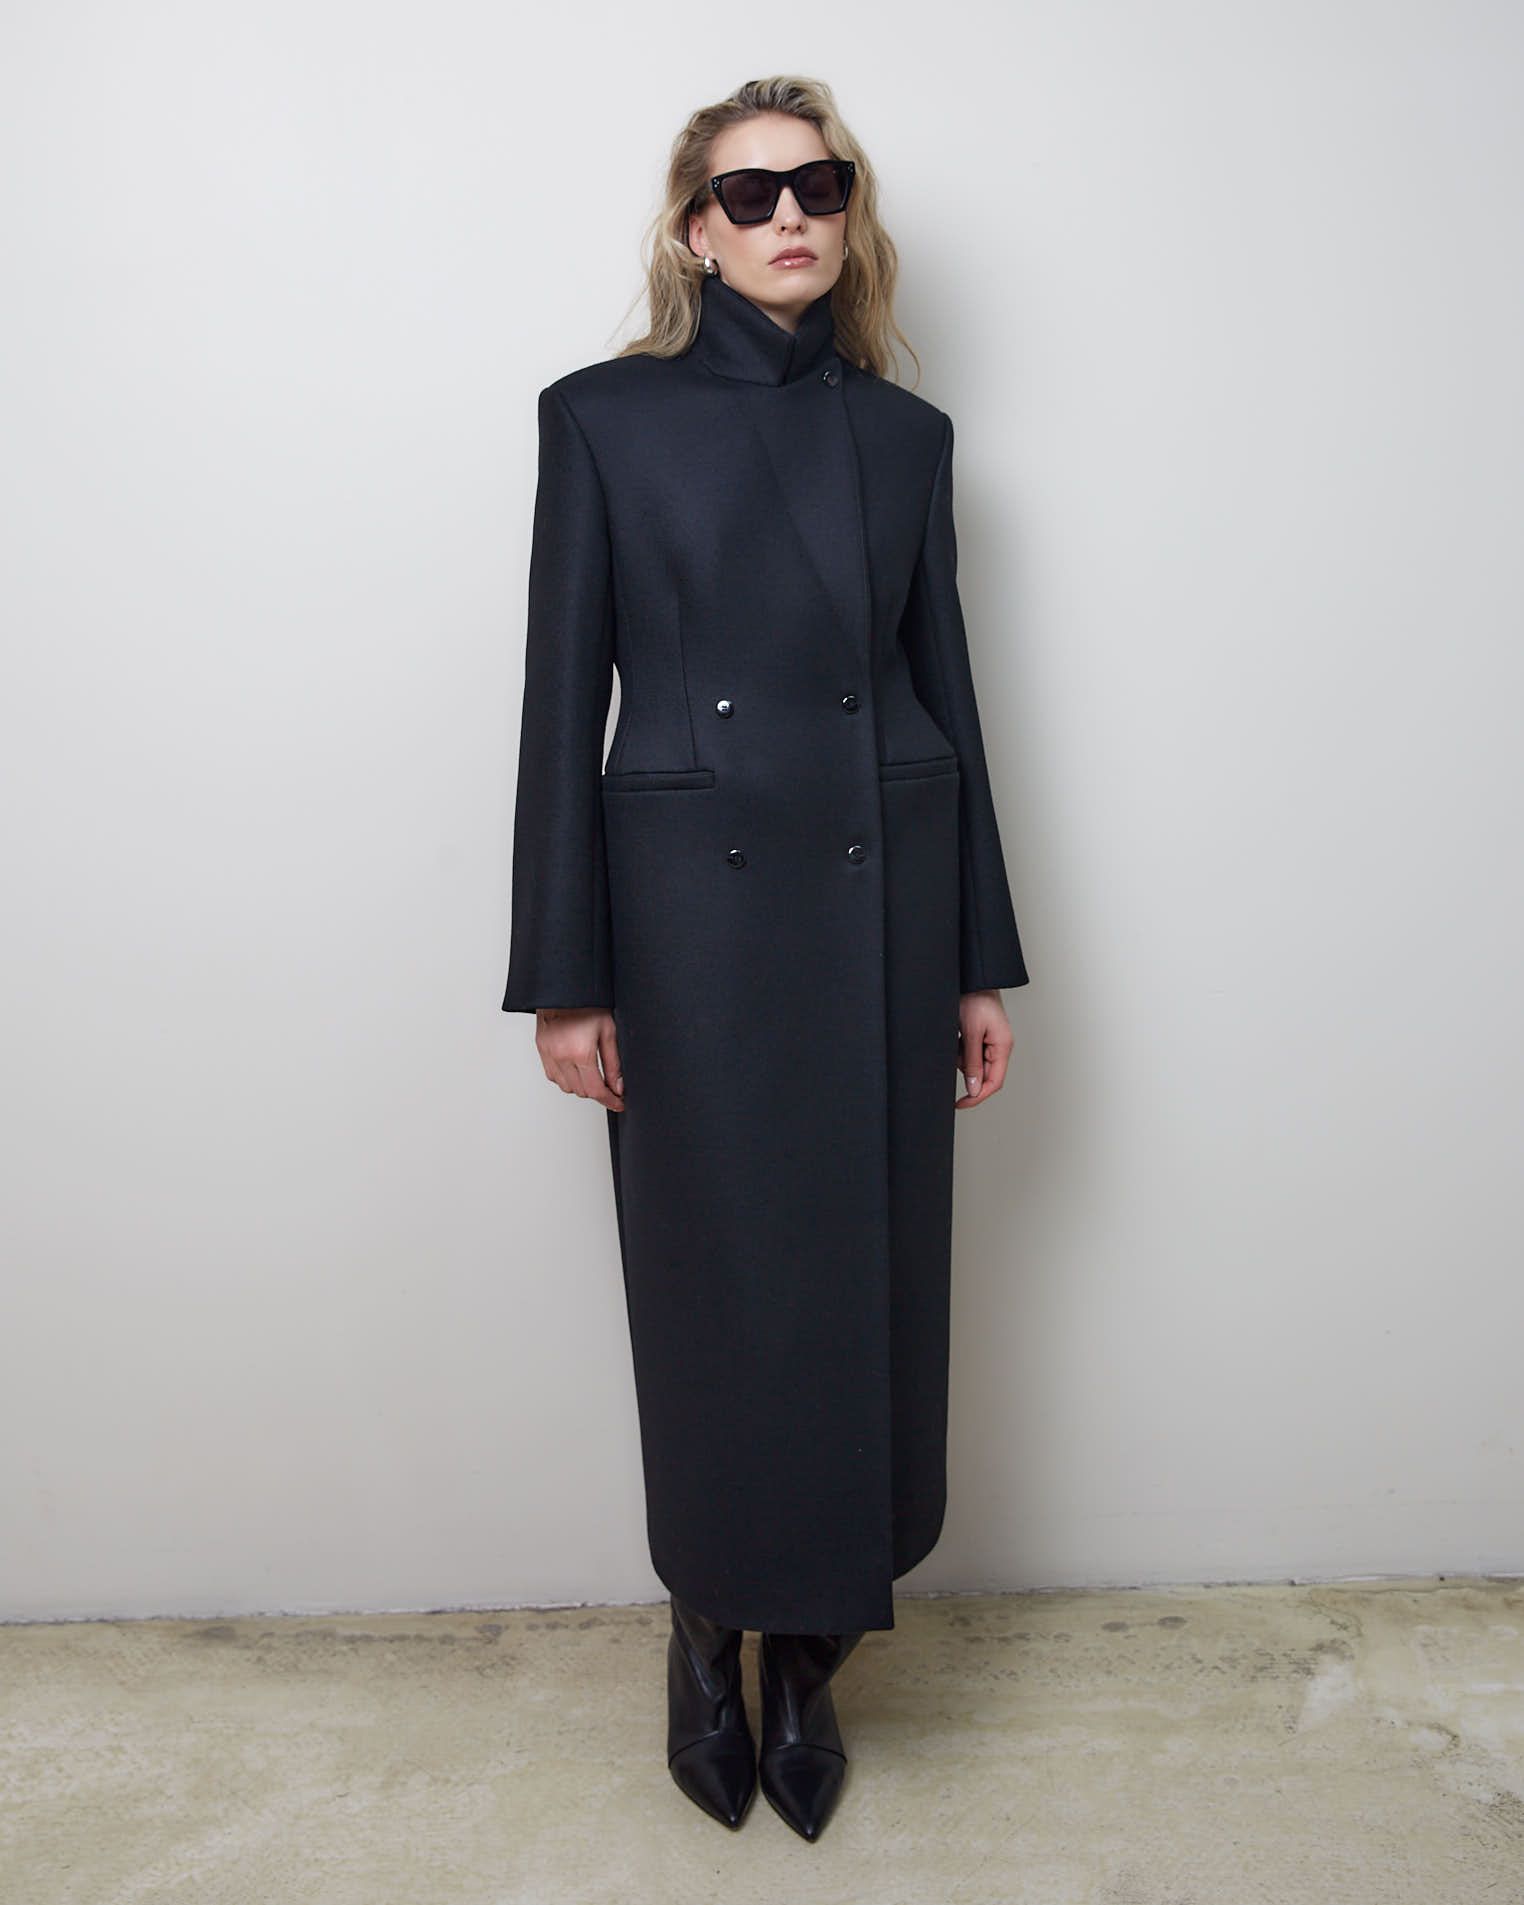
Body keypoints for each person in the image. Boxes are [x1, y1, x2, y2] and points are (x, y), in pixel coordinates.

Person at [501, 75, 1029, 1841]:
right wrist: (567, 972)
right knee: (720, 1290)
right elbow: (560, 704)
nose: (788, 215)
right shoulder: (600, 418)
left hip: (885, 904)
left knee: (868, 1286)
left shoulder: (908, 438)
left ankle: (811, 1654)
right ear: (693, 230)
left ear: (849, 210)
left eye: (819, 184)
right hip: (691, 925)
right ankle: (705, 1625)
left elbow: (948, 699)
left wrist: (974, 960)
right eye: (748, 194)